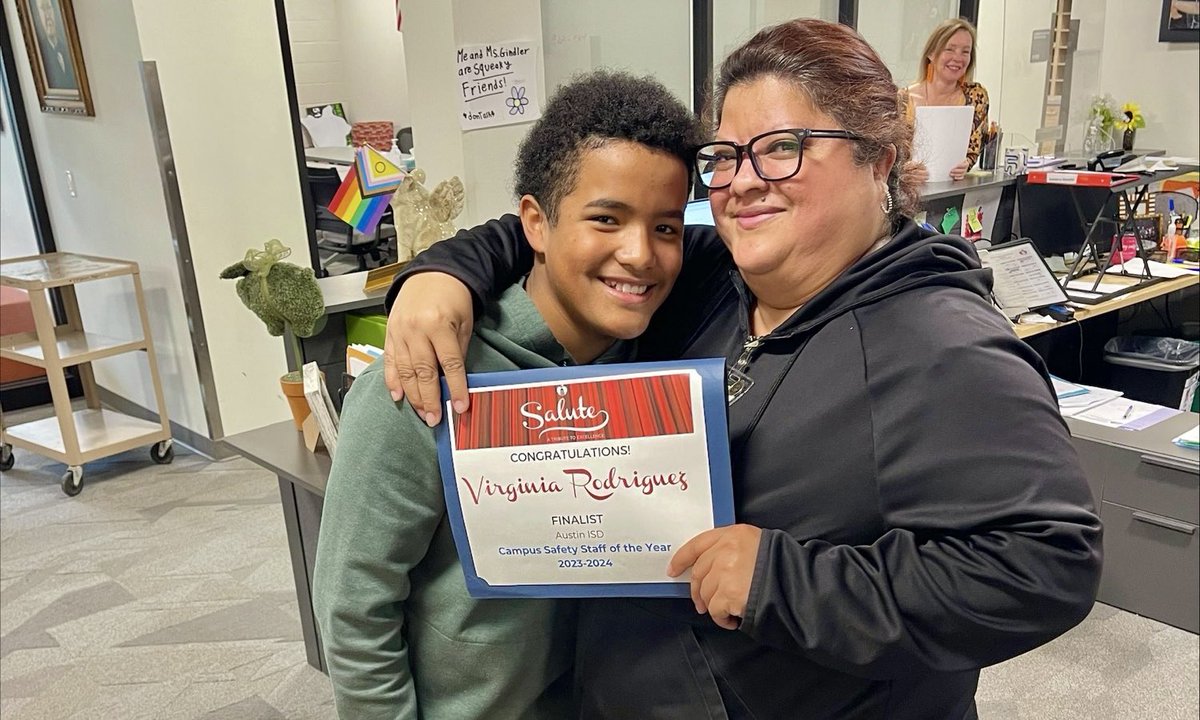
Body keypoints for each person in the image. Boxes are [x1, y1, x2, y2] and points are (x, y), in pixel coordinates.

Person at [382, 19, 1102, 720]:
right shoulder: (714, 275)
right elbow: (562, 226)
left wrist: (783, 581)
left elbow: (1048, 565)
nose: (742, 182)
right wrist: (438, 276)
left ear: (878, 159)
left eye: (782, 147)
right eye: (724, 156)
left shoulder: (941, 345)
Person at [311, 70, 701, 720]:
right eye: (606, 219)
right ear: (536, 225)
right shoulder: (424, 377)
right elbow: (355, 608)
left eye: (666, 228)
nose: (640, 253)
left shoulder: (662, 362)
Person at [900, 18, 989, 182]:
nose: (958, 58)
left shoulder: (976, 96)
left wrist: (966, 164)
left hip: (953, 191)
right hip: (910, 191)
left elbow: (972, 151)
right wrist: (904, 171)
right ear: (931, 54)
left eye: (965, 51)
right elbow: (886, 155)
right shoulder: (903, 100)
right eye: (950, 49)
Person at [33, 0, 78, 91]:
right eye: (43, 9)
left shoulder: (68, 48)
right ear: (38, 16)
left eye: (49, 8)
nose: (47, 16)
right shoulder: (41, 55)